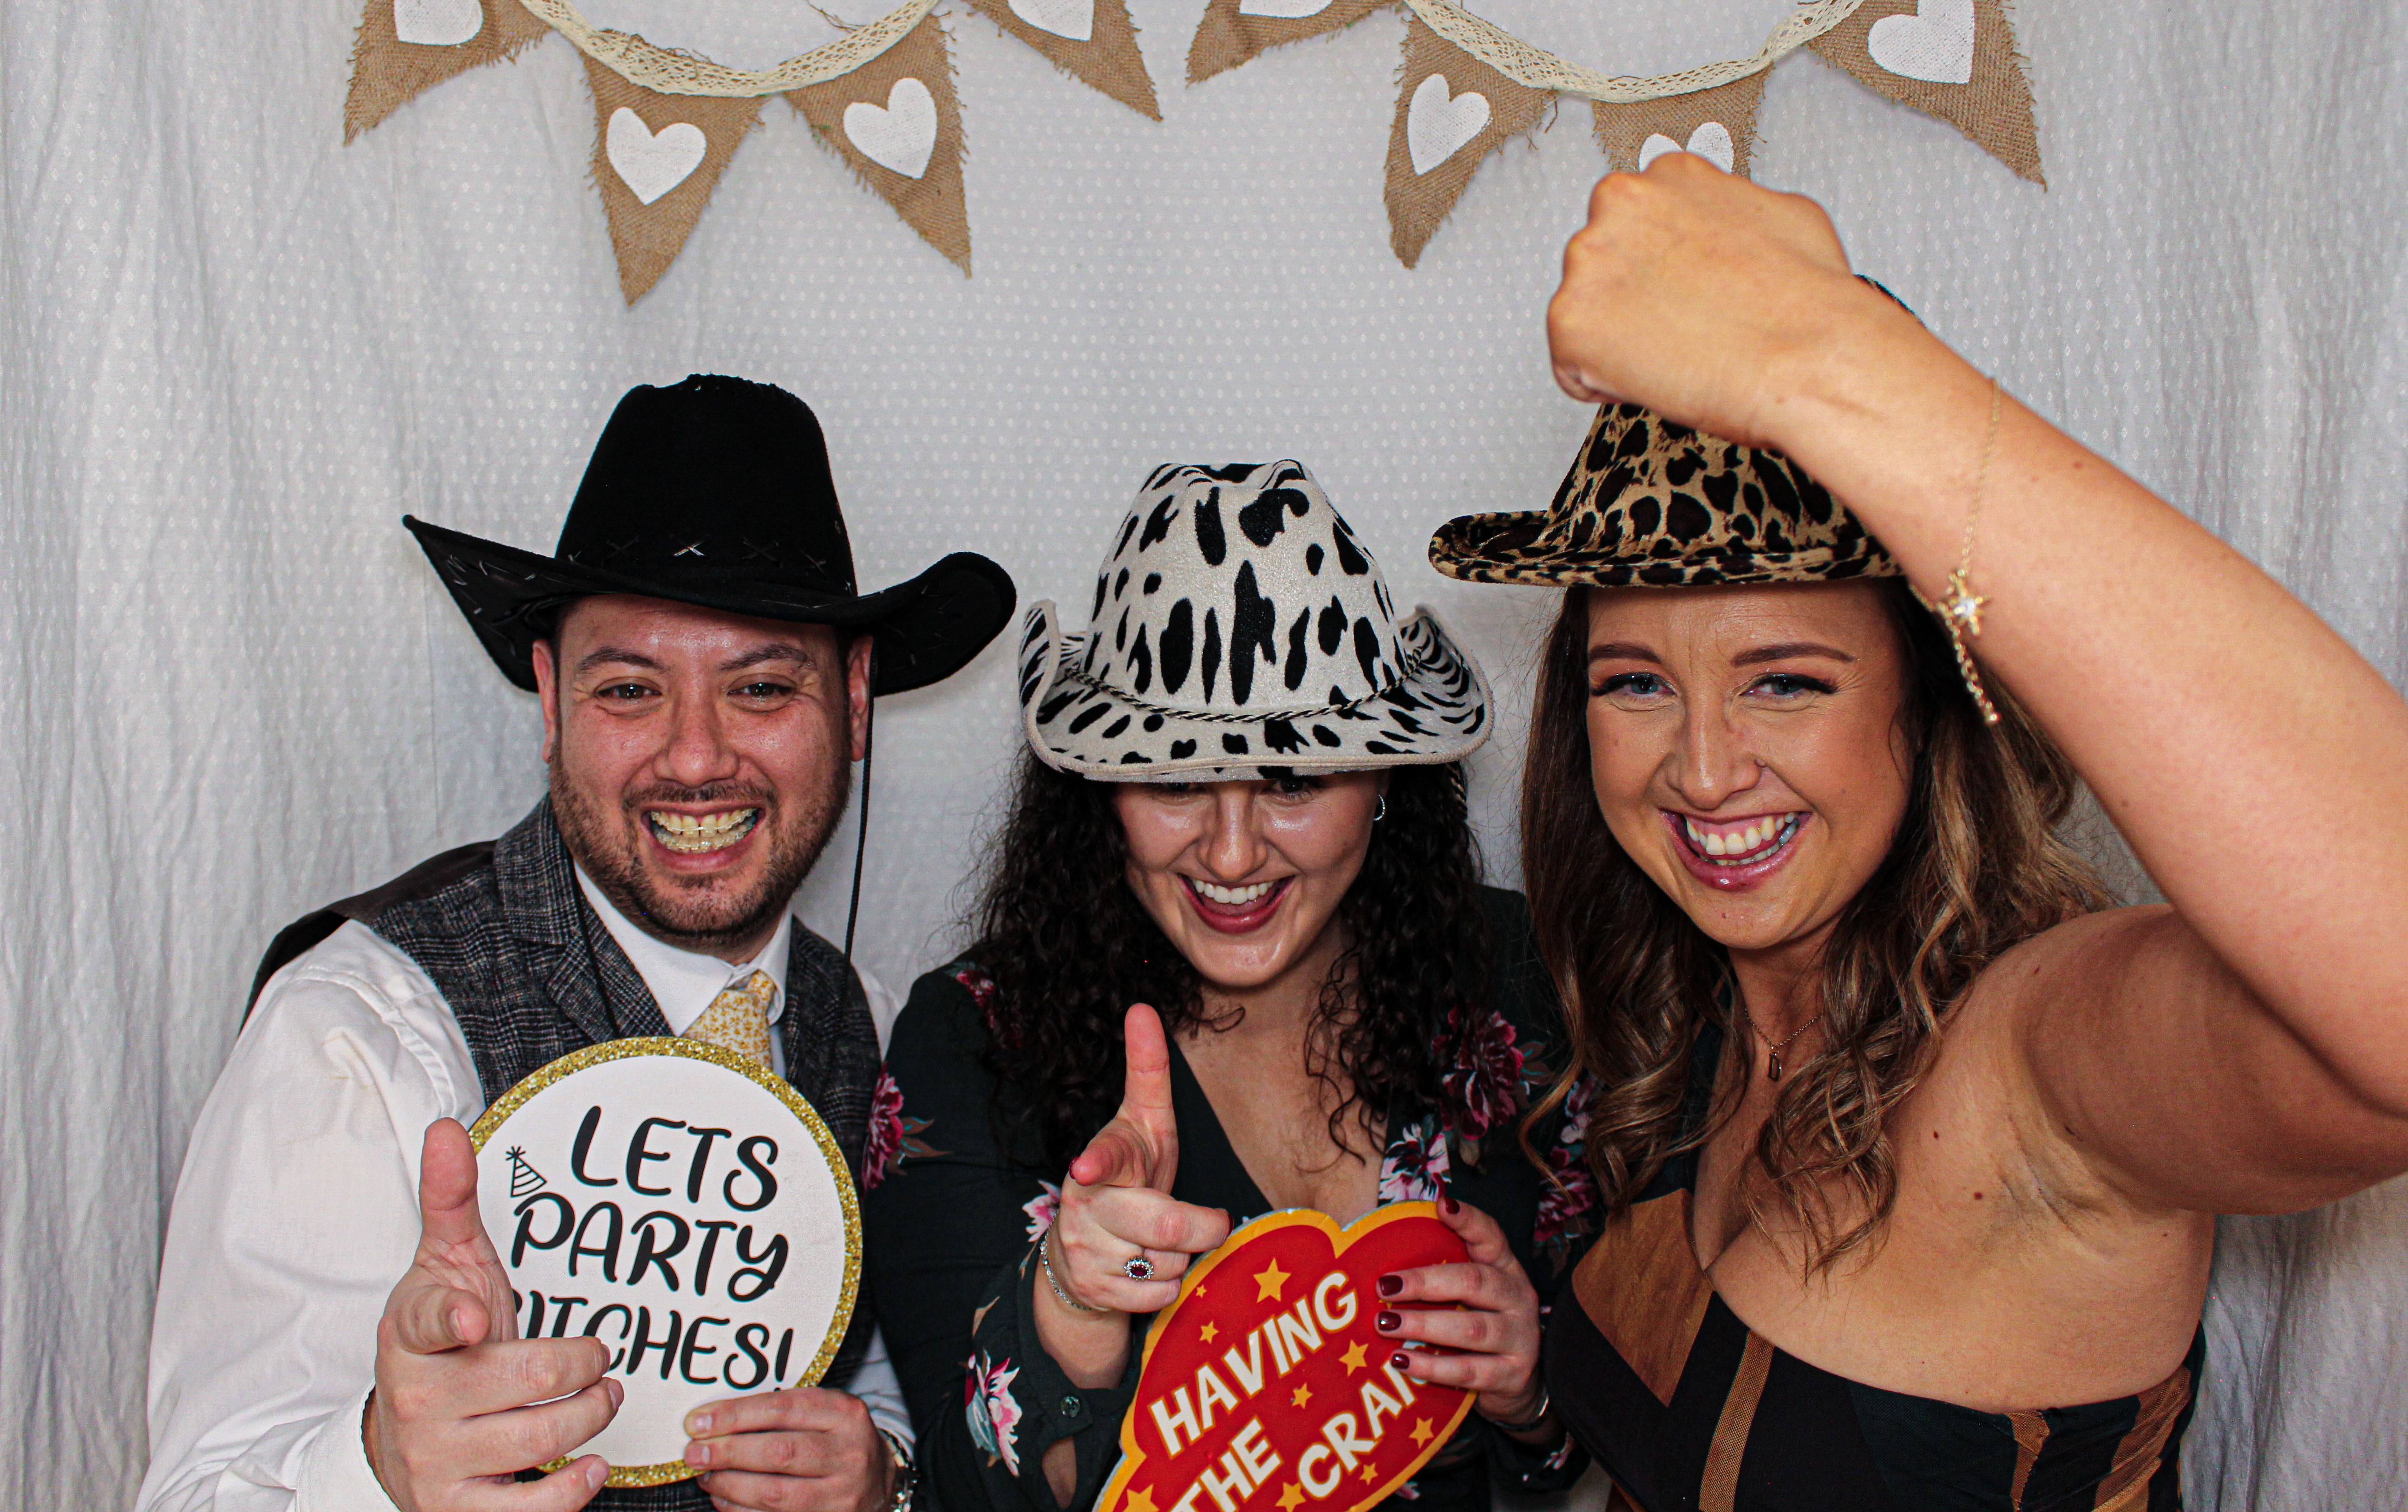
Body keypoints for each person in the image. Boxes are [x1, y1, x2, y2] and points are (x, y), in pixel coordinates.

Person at [1424, 155, 2408, 1510]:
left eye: (1786, 680)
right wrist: (1539, 1384)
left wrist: (1830, 357)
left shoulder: (2033, 1058)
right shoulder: (1680, 1017)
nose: (1705, 771)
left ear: (1932, 703)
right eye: (1637, 683)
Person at [139, 376, 1015, 1512]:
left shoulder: (887, 1032)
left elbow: (906, 1400)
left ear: (854, 703)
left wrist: (880, 1479)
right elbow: (200, 1490)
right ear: (549, 699)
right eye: (630, 688)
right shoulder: (359, 1035)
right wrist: (377, 1473)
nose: (696, 758)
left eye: (759, 686)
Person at [861, 460, 1597, 1512]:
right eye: (1174, 780)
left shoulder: (1526, 987)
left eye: (1295, 779)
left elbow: (1625, 1432)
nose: (1237, 850)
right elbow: (951, 1493)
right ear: (1098, 792)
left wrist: (1529, 1395)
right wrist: (1071, 1301)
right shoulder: (976, 1042)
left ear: (1388, 779)